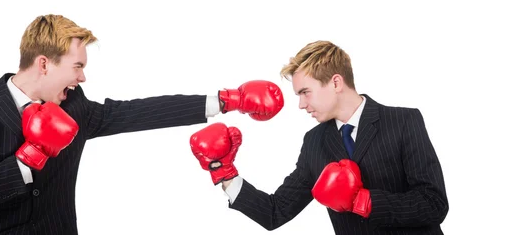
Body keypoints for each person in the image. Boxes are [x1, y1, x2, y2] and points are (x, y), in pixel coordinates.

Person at [0, 14, 285, 235]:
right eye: (77, 66)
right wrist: (29, 156)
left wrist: (226, 101)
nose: (82, 77)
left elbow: (137, 113)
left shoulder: (75, 107)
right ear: (44, 64)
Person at [189, 40, 449, 234]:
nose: (301, 105)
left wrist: (364, 201)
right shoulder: (314, 142)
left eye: (306, 92)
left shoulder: (403, 121)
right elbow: (275, 212)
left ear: (336, 83)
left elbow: (434, 203)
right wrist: (225, 175)